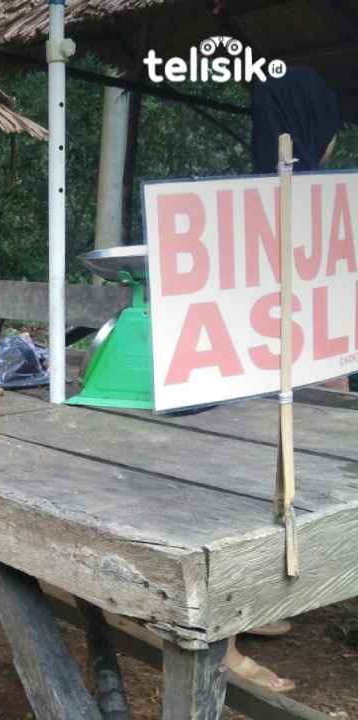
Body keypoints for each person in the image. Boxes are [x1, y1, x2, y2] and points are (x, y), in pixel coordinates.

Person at [226, 65, 344, 694]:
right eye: (330, 130)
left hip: (292, 367)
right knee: (238, 482)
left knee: (278, 482)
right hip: (254, 373)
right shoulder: (273, 202)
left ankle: (250, 600)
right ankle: (224, 641)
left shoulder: (279, 197)